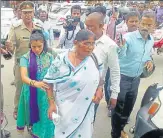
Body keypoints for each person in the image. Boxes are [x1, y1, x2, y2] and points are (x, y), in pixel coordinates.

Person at [43, 29, 104, 138]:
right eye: (86, 43)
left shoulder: (94, 58)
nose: (90, 47)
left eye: (92, 43)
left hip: (85, 110)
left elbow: (99, 77)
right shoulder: (61, 61)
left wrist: (99, 89)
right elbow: (48, 83)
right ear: (75, 43)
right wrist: (51, 104)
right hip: (64, 110)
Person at [111, 12, 156, 138]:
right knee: (118, 108)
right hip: (122, 78)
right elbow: (120, 55)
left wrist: (149, 62)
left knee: (128, 108)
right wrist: (121, 47)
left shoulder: (150, 40)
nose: (145, 27)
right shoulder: (128, 37)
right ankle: (115, 134)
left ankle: (120, 129)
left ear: (154, 26)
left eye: (149, 24)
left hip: (136, 79)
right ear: (139, 23)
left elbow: (147, 56)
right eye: (143, 23)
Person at [5, 1, 42, 120]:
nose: (28, 15)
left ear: (33, 12)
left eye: (30, 12)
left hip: (38, 65)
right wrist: (9, 48)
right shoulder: (15, 28)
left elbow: (45, 45)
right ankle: (18, 111)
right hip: (22, 66)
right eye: (25, 13)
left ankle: (35, 116)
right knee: (21, 91)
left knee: (37, 91)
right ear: (20, 13)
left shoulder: (39, 27)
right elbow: (10, 51)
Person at [16, 29, 55, 138]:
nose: (37, 49)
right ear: (30, 45)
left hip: (47, 92)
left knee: (47, 117)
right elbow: (24, 77)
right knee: (36, 116)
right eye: (34, 47)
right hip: (31, 92)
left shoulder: (49, 57)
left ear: (44, 44)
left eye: (39, 46)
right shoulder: (25, 58)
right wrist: (36, 83)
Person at [85, 12, 120, 119]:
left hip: (95, 90)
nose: (88, 29)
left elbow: (115, 70)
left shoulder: (110, 45)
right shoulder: (82, 39)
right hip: (76, 87)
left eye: (91, 27)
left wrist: (114, 94)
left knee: (89, 119)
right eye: (87, 26)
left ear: (101, 26)